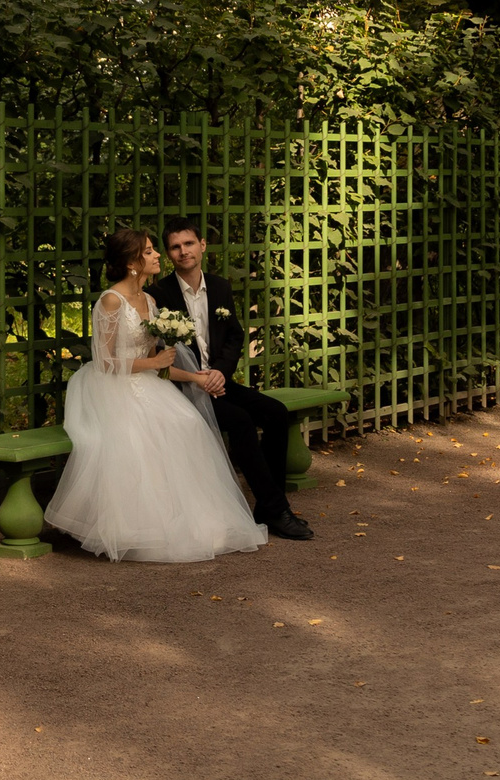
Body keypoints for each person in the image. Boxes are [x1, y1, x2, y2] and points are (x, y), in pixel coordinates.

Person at [41, 227, 268, 563]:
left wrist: (194, 377)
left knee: (187, 422)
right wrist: (154, 361)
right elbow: (104, 362)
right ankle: (139, 528)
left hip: (146, 380)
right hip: (112, 388)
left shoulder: (149, 300)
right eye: (149, 251)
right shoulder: (110, 300)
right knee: (141, 435)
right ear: (133, 261)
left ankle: (190, 521)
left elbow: (156, 364)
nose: (158, 255)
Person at [148, 219, 313, 541]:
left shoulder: (220, 286)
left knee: (276, 412)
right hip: (182, 386)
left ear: (202, 245)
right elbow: (156, 352)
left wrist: (220, 372)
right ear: (169, 254)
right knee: (240, 421)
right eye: (175, 247)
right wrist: (200, 378)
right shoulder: (158, 294)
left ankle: (270, 506)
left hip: (218, 379)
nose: (183, 251)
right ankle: (278, 510)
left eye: (189, 244)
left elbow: (234, 335)